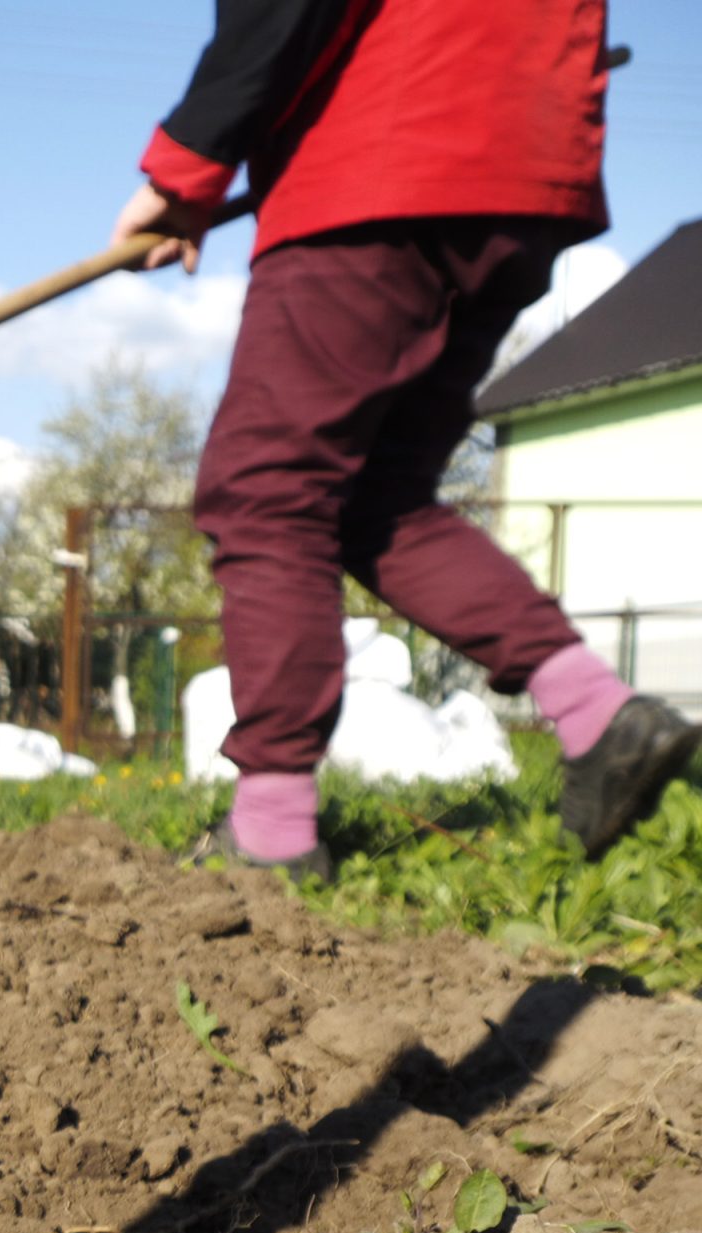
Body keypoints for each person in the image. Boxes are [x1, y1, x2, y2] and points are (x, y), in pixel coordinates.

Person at [114, 0, 700, 874]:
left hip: (386, 155)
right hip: (527, 170)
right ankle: (595, 710)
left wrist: (183, 172)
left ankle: (271, 832)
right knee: (379, 497)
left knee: (268, 489)